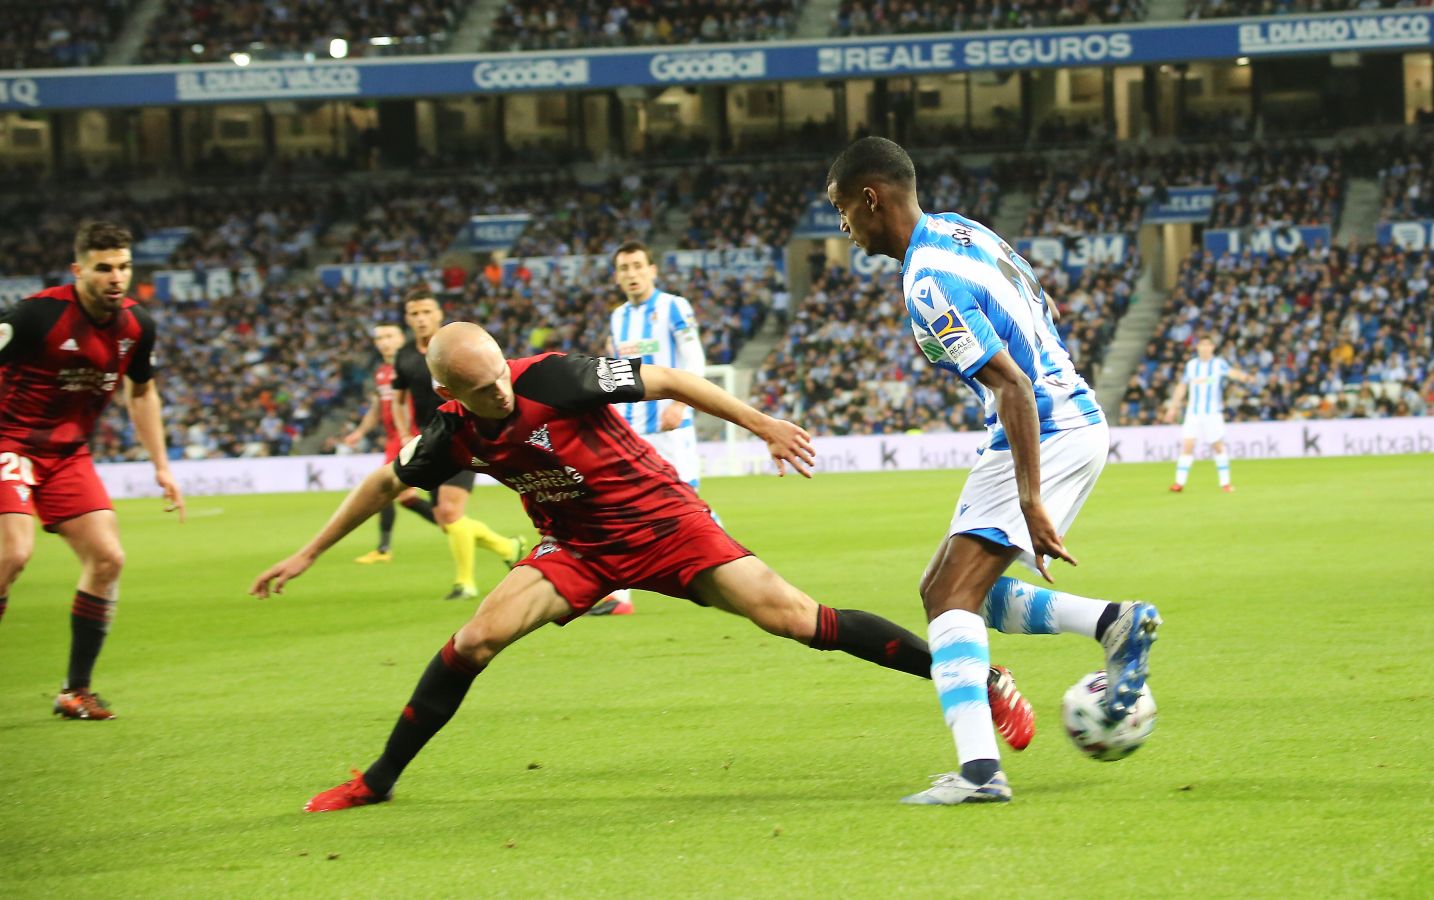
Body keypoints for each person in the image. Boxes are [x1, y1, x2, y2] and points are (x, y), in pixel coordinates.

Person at [249, 323, 1033, 812]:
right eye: (481, 385)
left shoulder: (551, 376)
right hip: (578, 550)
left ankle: (976, 680)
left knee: (802, 620)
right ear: (451, 392)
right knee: (473, 641)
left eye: (499, 371)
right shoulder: (452, 432)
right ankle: (378, 780)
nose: (498, 386)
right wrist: (309, 551)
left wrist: (760, 423)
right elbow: (386, 479)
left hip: (668, 524)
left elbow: (661, 380)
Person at [825, 136, 1160, 805]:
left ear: (871, 197)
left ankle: (980, 773)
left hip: (1045, 428)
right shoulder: (961, 231)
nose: (842, 227)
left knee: (948, 598)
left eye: (842, 210)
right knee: (956, 591)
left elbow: (1011, 384)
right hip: (1067, 417)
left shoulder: (925, 280)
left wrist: (1031, 499)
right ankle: (1111, 622)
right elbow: (1040, 310)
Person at [0, 221, 185, 720]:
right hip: (8, 441)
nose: (116, 277)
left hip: (67, 454)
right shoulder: (36, 316)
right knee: (13, 553)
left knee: (107, 558)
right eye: (103, 268)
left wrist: (162, 466)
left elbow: (141, 392)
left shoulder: (137, 326)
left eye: (123, 266)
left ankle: (75, 691)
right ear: (78, 269)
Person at [590, 239, 707, 616]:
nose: (632, 274)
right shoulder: (617, 317)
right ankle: (619, 595)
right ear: (617, 276)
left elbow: (694, 357)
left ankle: (729, 567)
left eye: (638, 266)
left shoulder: (674, 307)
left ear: (652, 270)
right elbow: (617, 372)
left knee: (688, 503)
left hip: (671, 427)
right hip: (631, 430)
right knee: (621, 506)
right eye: (624, 268)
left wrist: (681, 401)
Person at [392, 287, 524, 600]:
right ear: (408, 319)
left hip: (465, 433)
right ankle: (509, 547)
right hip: (431, 439)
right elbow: (399, 400)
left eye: (427, 312)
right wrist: (403, 433)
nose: (421, 319)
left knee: (450, 512)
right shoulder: (405, 356)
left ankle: (464, 583)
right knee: (444, 519)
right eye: (414, 314)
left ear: (439, 314)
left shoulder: (457, 350)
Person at [342, 322, 438, 563]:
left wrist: (412, 432)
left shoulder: (412, 364)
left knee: (385, 489)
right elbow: (376, 407)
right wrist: (361, 432)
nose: (383, 341)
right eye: (379, 338)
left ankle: (384, 549)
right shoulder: (382, 370)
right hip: (393, 438)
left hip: (411, 434)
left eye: (388, 336)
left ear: (400, 339)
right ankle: (458, 528)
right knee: (403, 498)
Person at [1162, 335, 1254, 493]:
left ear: (1212, 347)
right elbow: (1182, 386)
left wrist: (1245, 377)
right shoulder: (1191, 365)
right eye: (1201, 345)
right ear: (1197, 348)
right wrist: (1173, 407)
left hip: (1212, 412)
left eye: (1207, 345)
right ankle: (1179, 483)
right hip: (1193, 412)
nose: (1204, 348)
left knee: (1218, 446)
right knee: (1188, 445)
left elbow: (1232, 373)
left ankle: (1225, 483)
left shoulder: (1218, 364)